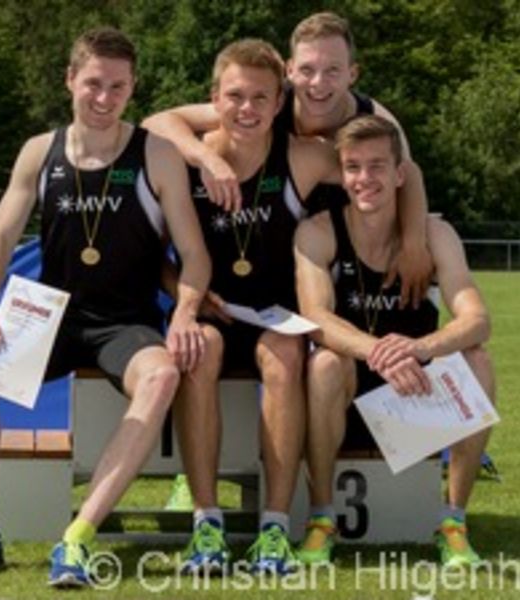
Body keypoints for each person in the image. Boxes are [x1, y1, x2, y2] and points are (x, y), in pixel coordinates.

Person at [0, 26, 210, 588]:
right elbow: (0, 236)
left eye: (117, 86)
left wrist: (186, 312)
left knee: (162, 376)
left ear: (132, 88)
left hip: (126, 322)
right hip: (52, 317)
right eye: (93, 83)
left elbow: (194, 255)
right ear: (69, 80)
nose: (104, 97)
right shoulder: (39, 152)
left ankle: (78, 538)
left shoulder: (157, 154)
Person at [169, 38, 342, 577]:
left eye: (261, 98)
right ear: (213, 99)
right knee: (198, 349)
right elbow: (152, 254)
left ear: (279, 102)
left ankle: (274, 527)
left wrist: (418, 232)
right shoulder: (183, 160)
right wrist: (186, 295)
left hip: (276, 317)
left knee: (286, 355)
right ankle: (207, 523)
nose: (247, 109)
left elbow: (380, 170)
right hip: (212, 312)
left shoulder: (303, 156)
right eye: (235, 96)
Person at [294, 114, 495, 566]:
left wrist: (419, 348)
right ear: (341, 175)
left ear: (400, 173)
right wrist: (379, 352)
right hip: (341, 403)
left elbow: (478, 319)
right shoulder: (317, 231)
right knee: (324, 363)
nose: (364, 178)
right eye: (353, 167)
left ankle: (453, 523)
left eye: (377, 166)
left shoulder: (435, 234)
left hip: (412, 401)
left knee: (477, 361)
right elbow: (315, 316)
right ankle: (322, 519)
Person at [143, 11, 432, 308]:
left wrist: (413, 245)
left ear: (352, 73)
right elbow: (157, 123)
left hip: (339, 232)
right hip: (280, 231)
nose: (318, 83)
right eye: (307, 69)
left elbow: (407, 176)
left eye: (332, 70)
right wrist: (206, 159)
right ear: (289, 70)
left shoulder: (375, 121)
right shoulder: (263, 103)